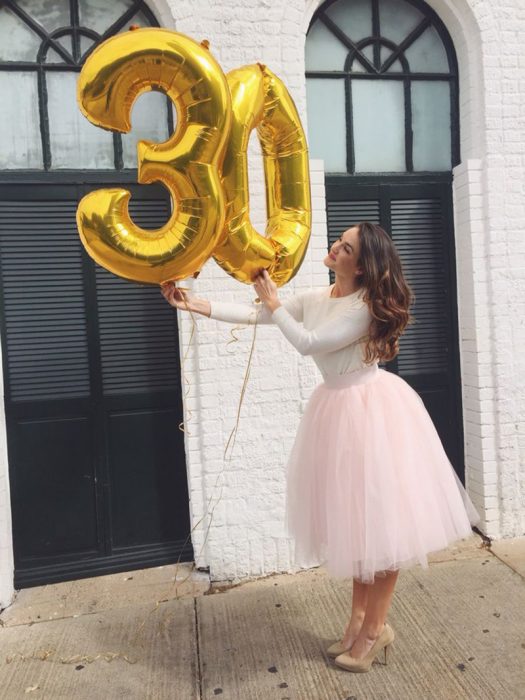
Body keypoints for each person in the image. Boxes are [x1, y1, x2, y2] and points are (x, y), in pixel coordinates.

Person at [161, 222, 481, 673]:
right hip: (336, 409)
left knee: (383, 527)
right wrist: (192, 303)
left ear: (362, 265)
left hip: (372, 413)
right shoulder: (322, 297)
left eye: (345, 247)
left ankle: (375, 629)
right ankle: (356, 622)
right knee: (357, 524)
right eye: (339, 240)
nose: (335, 247)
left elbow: (308, 343)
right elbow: (261, 315)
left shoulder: (364, 308)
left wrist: (276, 303)